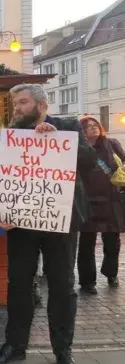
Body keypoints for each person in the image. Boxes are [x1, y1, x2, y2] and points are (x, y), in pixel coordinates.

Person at [0, 84, 97, 364]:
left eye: (23, 102)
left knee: (62, 285)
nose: (17, 108)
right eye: (15, 103)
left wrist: (58, 138)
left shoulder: (69, 126)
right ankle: (15, 346)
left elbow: (90, 162)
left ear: (42, 106)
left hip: (60, 221)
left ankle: (63, 351)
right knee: (19, 284)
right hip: (21, 224)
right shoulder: (7, 137)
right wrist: (1, 210)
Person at [77, 116, 124, 293]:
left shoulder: (111, 143)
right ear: (82, 131)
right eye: (88, 126)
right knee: (87, 242)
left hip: (110, 199)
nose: (93, 128)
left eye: (95, 125)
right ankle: (87, 282)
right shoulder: (79, 148)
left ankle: (111, 273)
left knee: (112, 240)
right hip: (87, 200)